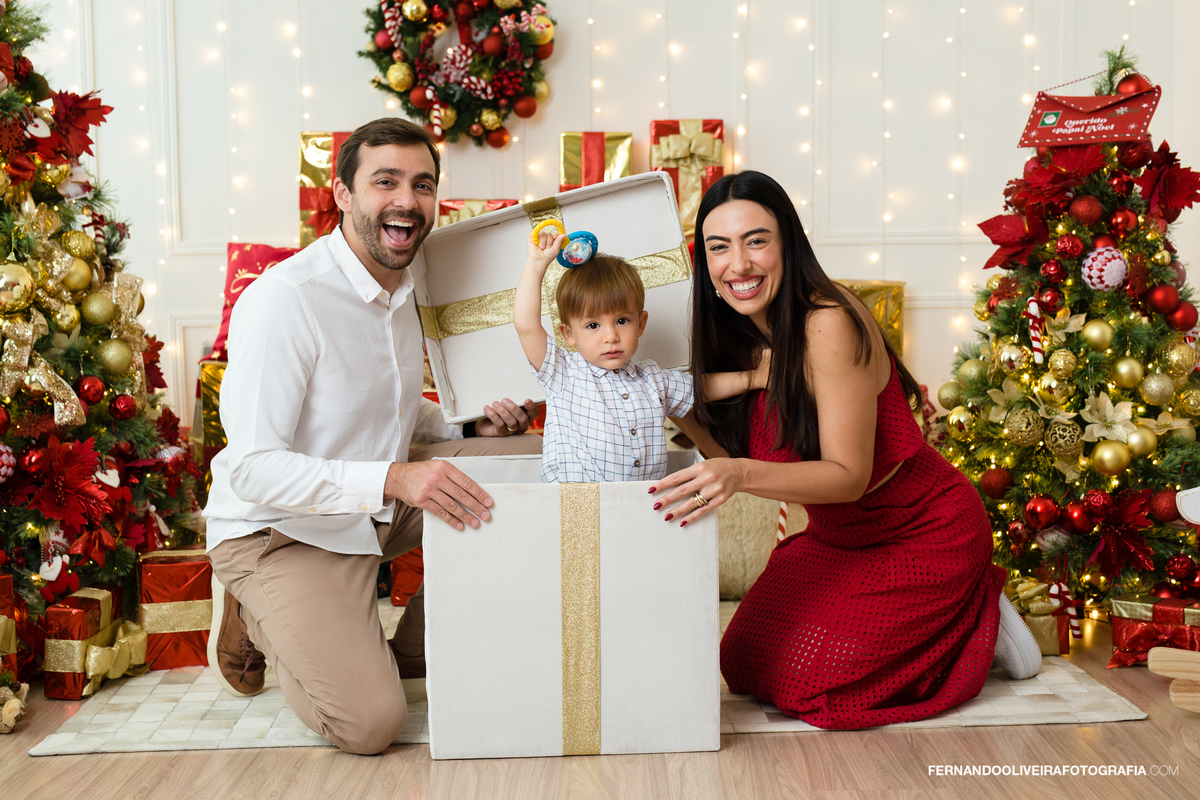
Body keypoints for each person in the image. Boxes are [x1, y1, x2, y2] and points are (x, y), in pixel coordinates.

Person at [649, 170, 1042, 729]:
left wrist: (737, 474)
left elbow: (848, 477)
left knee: (807, 683)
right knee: (741, 660)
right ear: (705, 263)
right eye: (719, 247)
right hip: (839, 539)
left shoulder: (828, 322)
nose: (739, 264)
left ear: (788, 242)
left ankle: (976, 615)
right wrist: (658, 396)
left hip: (924, 531)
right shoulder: (737, 337)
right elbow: (724, 451)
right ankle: (942, 619)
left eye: (756, 240)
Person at [203, 118, 542, 755]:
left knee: (530, 463)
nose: (406, 201)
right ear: (342, 193)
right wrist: (395, 477)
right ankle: (253, 610)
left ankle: (412, 646)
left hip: (372, 510)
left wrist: (466, 425)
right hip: (282, 533)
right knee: (370, 726)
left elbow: (385, 409)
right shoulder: (286, 299)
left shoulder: (408, 287)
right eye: (385, 181)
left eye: (421, 184)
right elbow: (252, 467)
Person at [514, 227, 770, 483]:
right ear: (568, 334)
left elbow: (702, 386)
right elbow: (526, 326)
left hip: (641, 501)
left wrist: (754, 378)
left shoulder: (652, 378)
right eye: (593, 325)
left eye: (622, 320)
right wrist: (537, 264)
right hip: (579, 501)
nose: (611, 336)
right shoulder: (563, 371)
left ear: (640, 323)